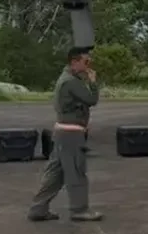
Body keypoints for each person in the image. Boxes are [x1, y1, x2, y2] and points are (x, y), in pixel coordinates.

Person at [28, 46, 103, 222]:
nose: (88, 65)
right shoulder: (71, 81)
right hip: (70, 135)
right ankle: (79, 209)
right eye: (86, 62)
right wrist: (93, 82)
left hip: (64, 132)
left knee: (55, 173)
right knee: (76, 170)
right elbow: (91, 99)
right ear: (74, 62)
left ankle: (38, 209)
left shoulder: (68, 78)